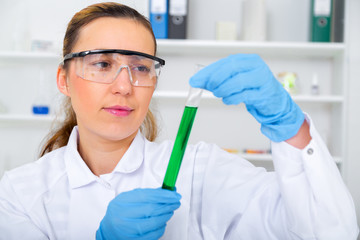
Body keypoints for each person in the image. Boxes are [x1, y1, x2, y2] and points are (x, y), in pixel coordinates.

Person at [0, 2, 358, 240]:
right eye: (103, 64)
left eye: (140, 67)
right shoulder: (20, 193)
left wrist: (292, 130)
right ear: (63, 79)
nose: (124, 86)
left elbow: (329, 232)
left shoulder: (201, 170)